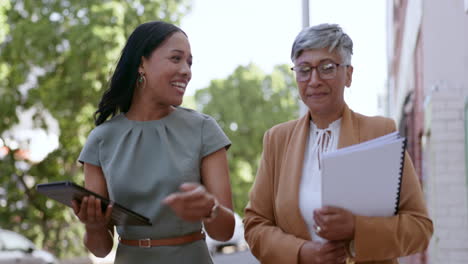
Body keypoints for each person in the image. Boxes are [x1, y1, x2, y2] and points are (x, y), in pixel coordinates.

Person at [243, 23, 433, 264]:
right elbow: (255, 225)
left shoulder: (379, 133)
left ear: (349, 75)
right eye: (304, 70)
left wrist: (357, 228)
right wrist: (302, 252)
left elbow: (419, 228)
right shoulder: (277, 140)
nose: (314, 80)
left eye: (327, 68)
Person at [71, 21, 235, 263]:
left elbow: (224, 232)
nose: (186, 70)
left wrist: (210, 208)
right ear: (141, 64)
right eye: (176, 58)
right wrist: (94, 227)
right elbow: (101, 249)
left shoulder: (203, 129)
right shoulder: (101, 139)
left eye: (189, 62)